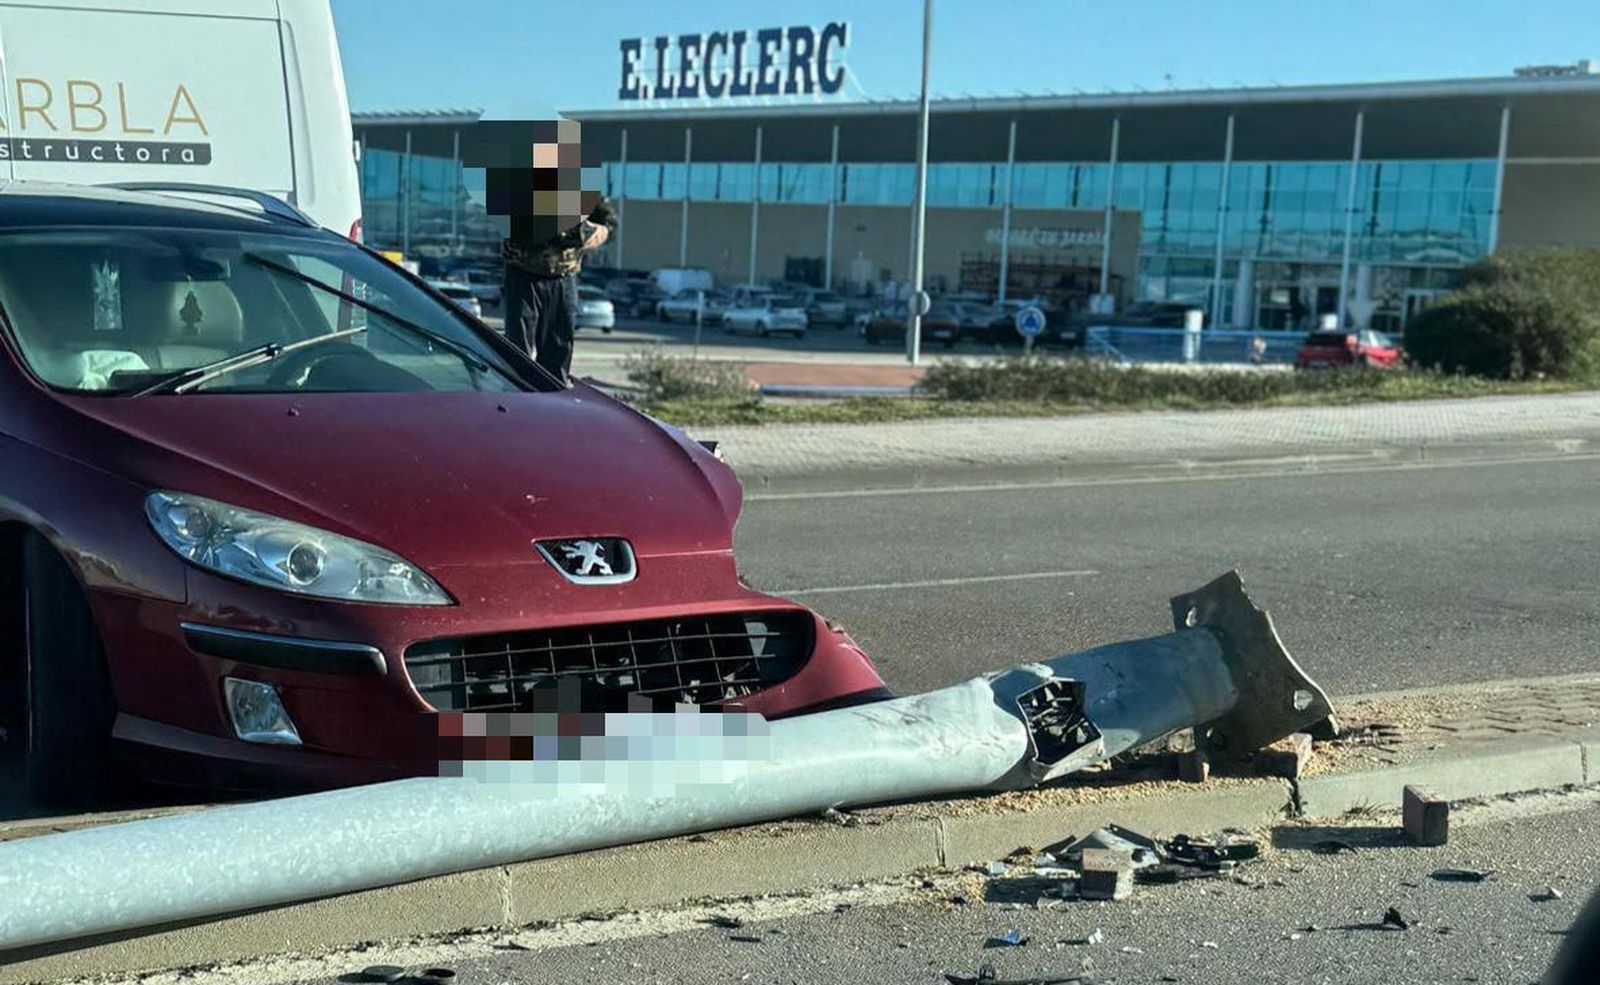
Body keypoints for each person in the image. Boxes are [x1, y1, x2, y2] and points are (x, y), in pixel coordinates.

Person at [465, 117, 616, 385]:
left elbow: (608, 223)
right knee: (519, 352)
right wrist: (574, 231)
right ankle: (520, 397)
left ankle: (553, 396)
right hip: (525, 275)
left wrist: (596, 233)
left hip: (564, 278)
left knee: (559, 348)